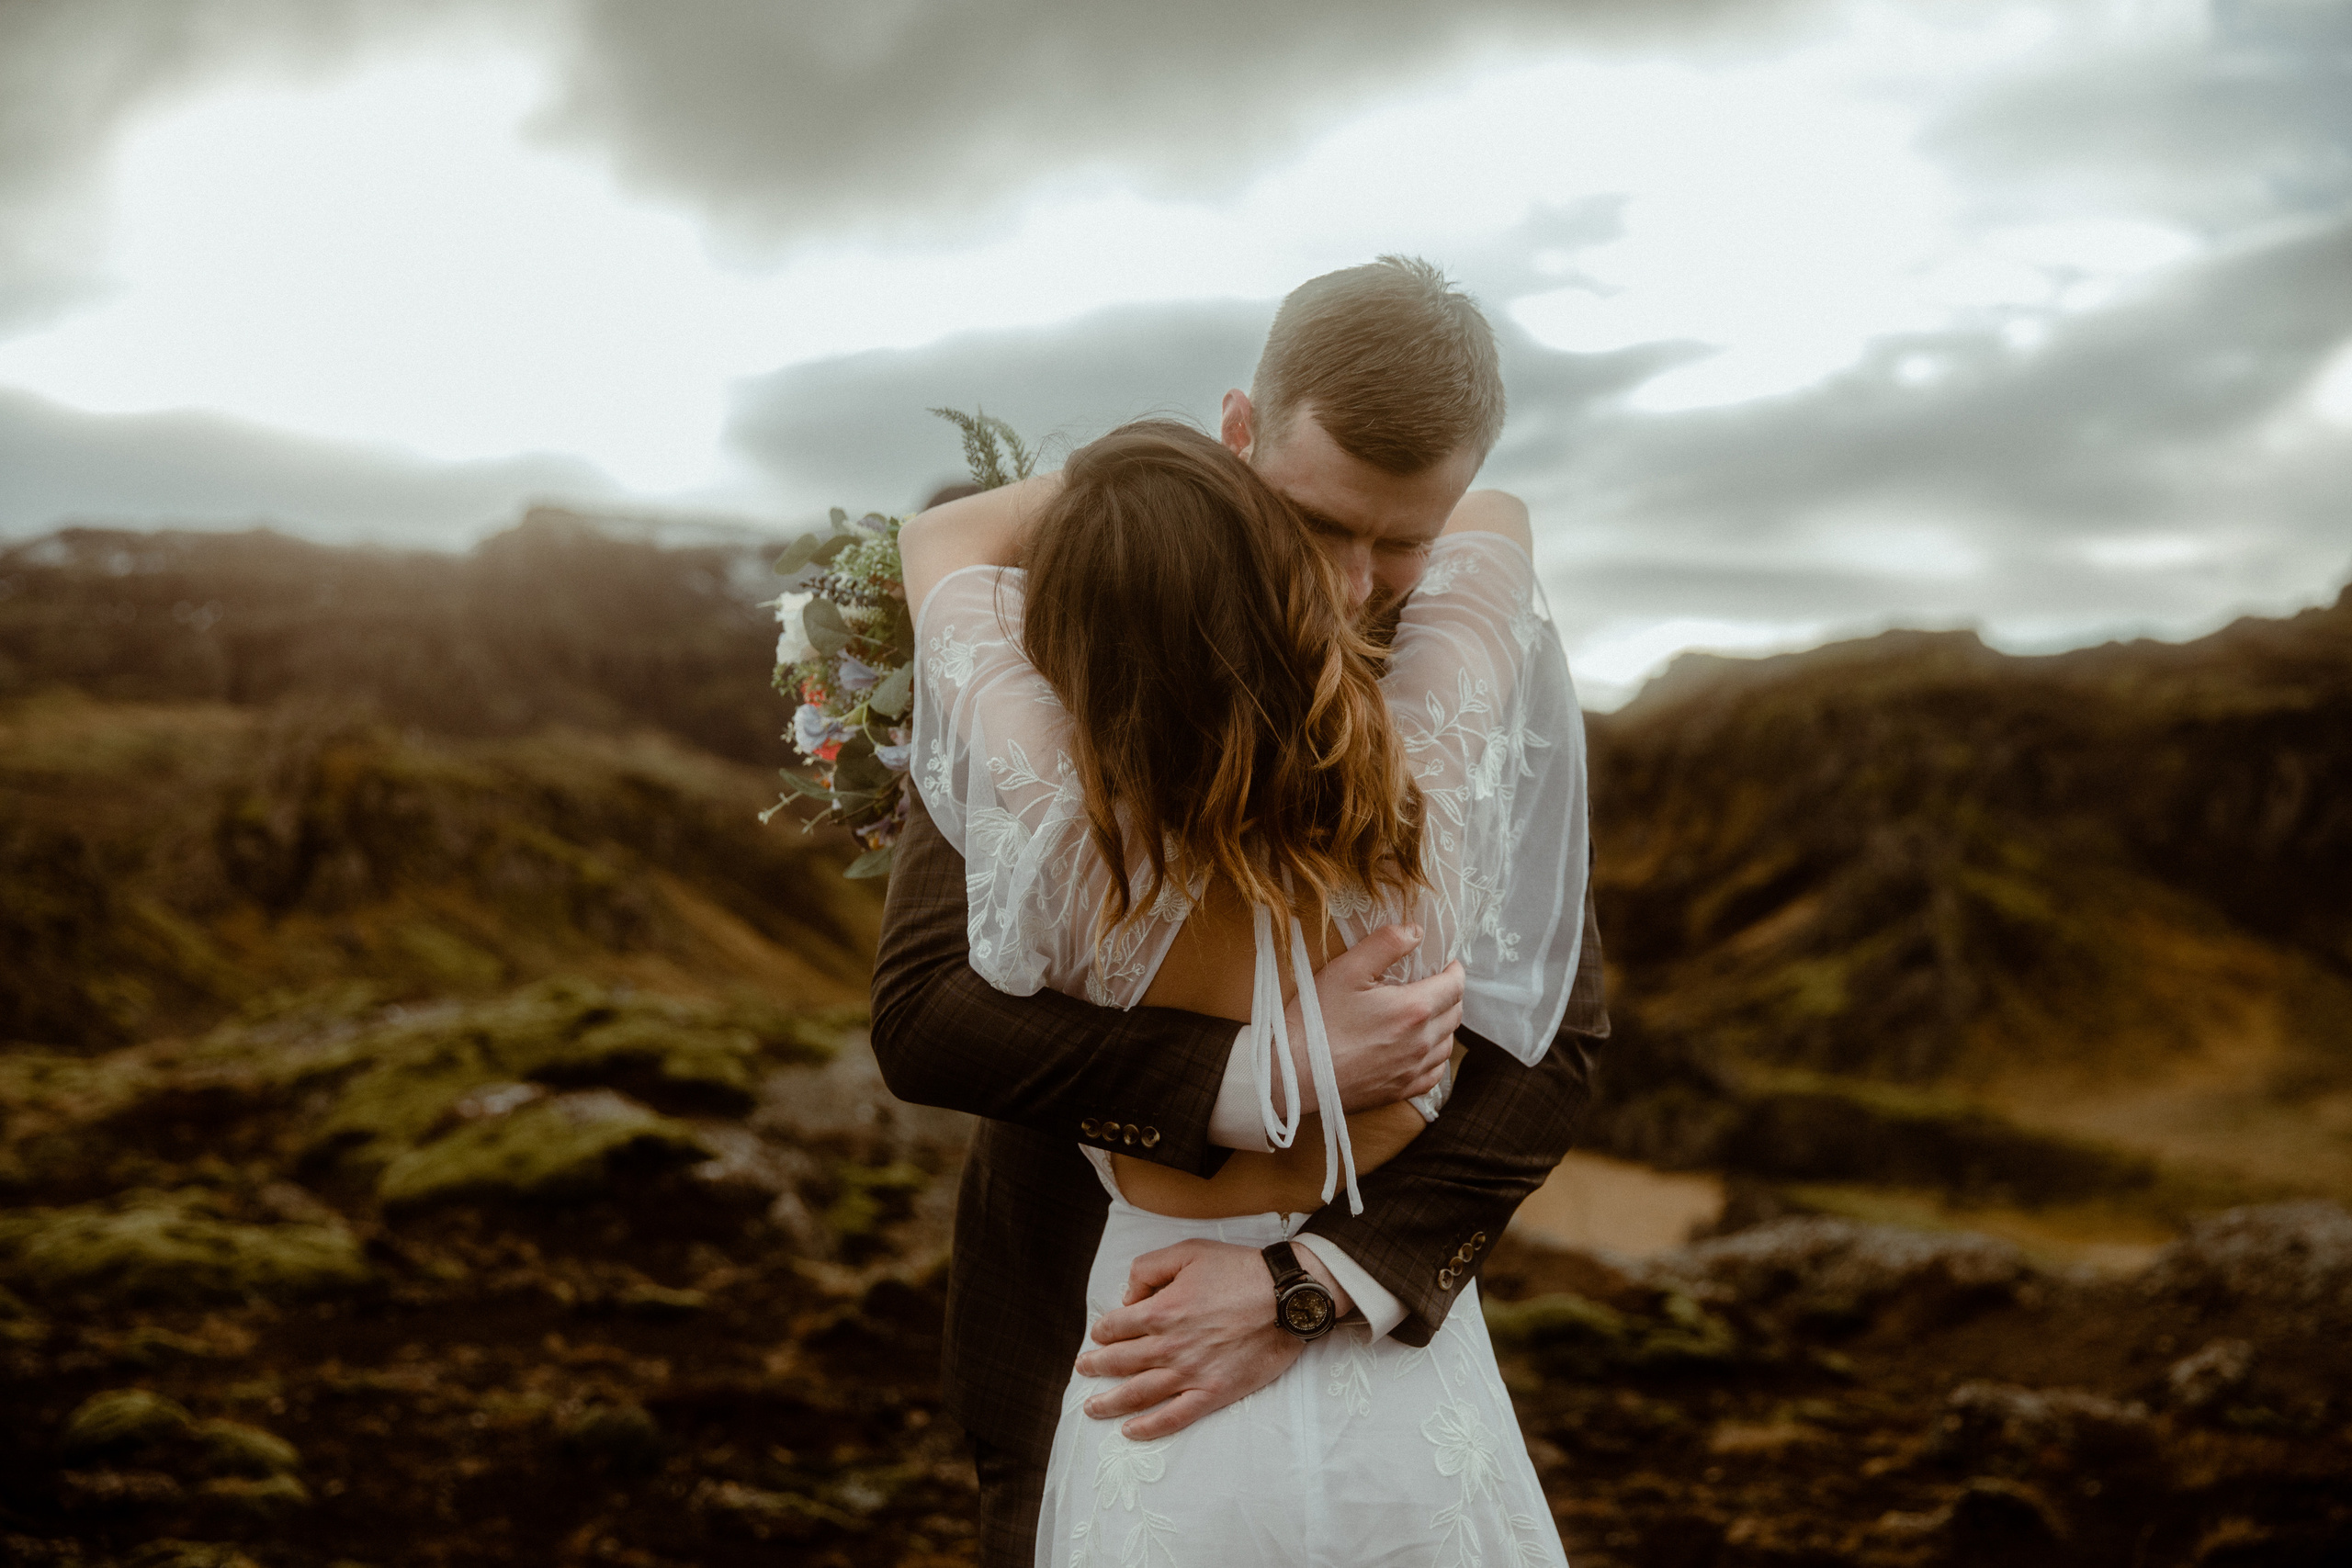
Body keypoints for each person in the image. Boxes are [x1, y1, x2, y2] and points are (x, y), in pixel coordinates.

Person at [869, 257, 1610, 1565]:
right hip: (1088, 1346)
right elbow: (929, 1017)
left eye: (1403, 542)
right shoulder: (1430, 723)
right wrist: (1266, 1071)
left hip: (1367, 1317)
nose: (1354, 586)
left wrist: (1317, 1287)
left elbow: (1558, 1040)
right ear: (1238, 436)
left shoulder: (1032, 751)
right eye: (1319, 526)